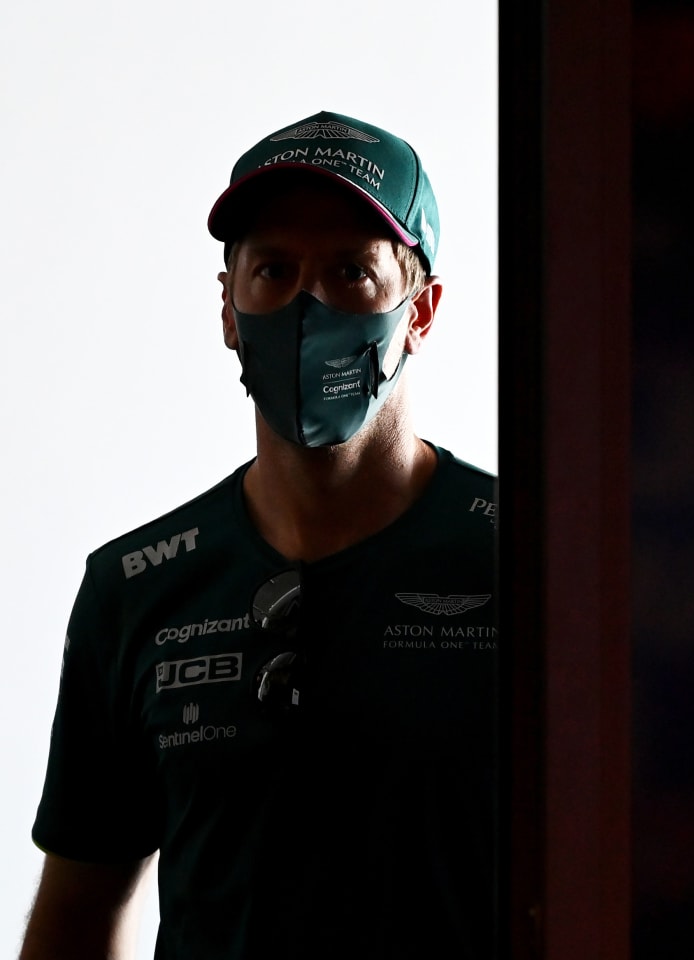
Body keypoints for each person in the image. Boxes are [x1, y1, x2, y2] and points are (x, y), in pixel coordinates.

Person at [20, 110, 500, 959]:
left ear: (421, 310)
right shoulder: (136, 589)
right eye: (273, 271)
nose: (307, 306)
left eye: (352, 272)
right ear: (229, 312)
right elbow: (77, 915)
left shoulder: (527, 559)